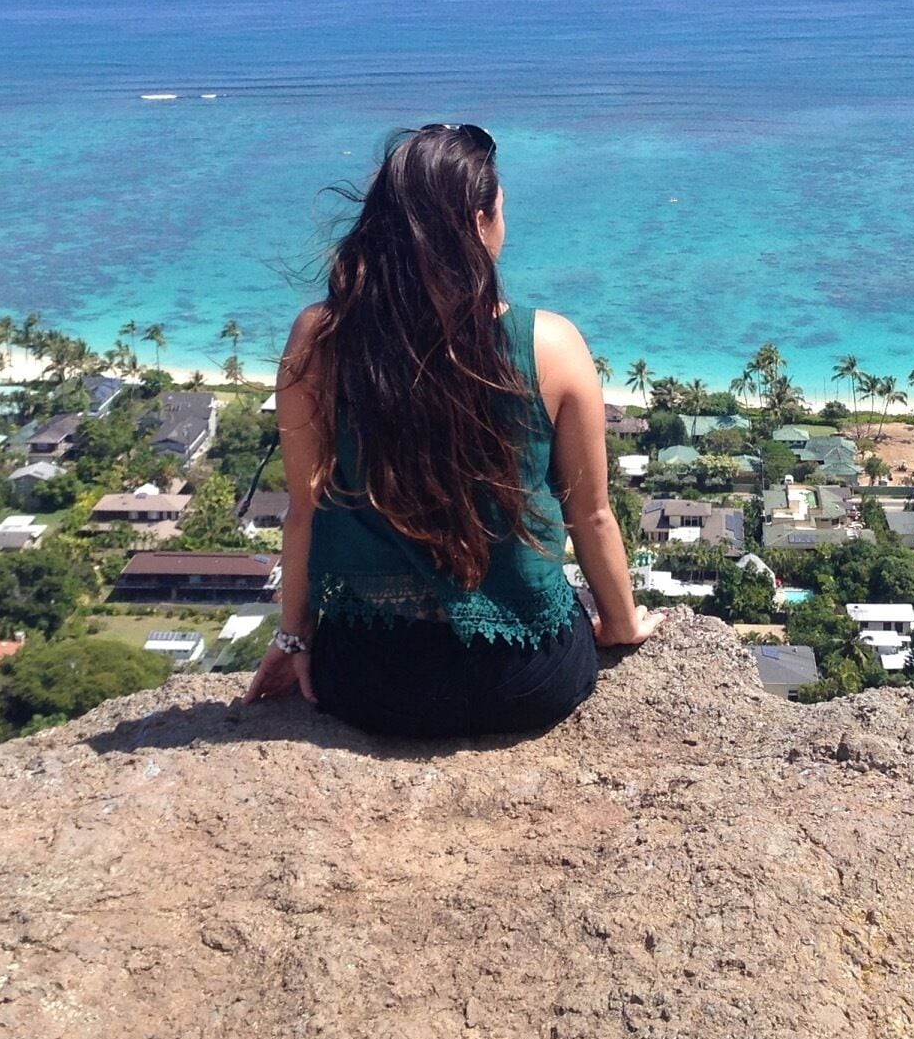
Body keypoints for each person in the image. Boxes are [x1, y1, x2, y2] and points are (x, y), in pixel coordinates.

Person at [245, 123, 665, 736]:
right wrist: (622, 626)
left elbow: (305, 510)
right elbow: (592, 514)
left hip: (369, 680)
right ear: (478, 222)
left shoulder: (322, 337)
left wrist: (293, 638)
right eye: (501, 211)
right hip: (529, 677)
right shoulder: (551, 344)